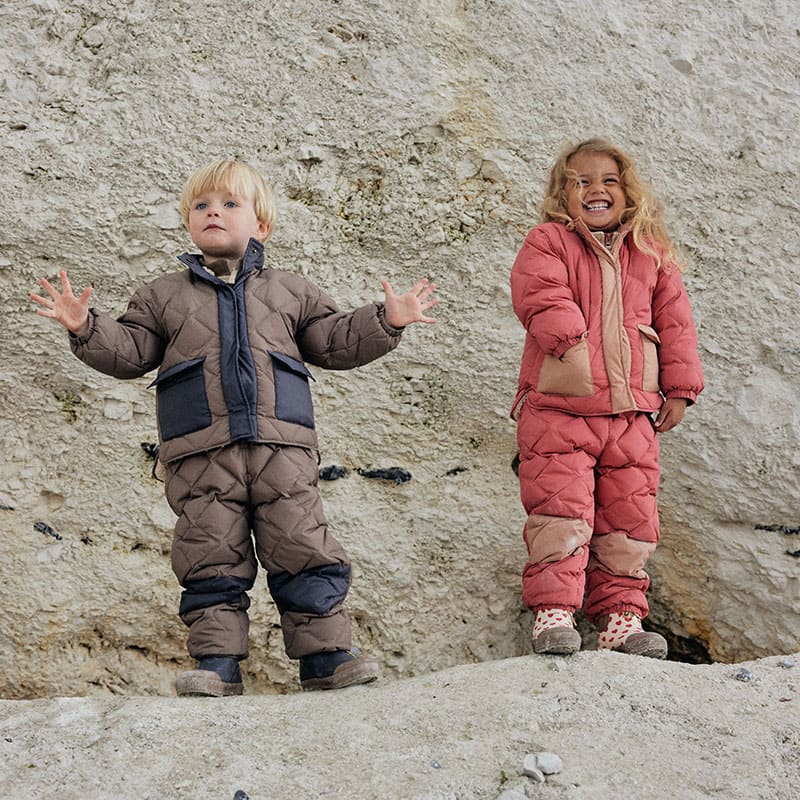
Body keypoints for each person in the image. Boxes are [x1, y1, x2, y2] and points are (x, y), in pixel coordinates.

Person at [30, 159, 439, 696]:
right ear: (188, 223)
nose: (213, 213)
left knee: (302, 545)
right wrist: (86, 327)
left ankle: (326, 657)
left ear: (261, 225)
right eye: (201, 205)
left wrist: (385, 320)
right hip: (200, 453)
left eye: (229, 204)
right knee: (209, 554)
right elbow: (130, 352)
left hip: (282, 447)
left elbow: (333, 341)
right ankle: (217, 663)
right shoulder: (162, 295)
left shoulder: (292, 291)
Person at [510, 138, 703, 659]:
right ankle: (554, 612)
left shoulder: (651, 253)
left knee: (629, 518)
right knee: (560, 513)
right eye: (582, 181)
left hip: (633, 414)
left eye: (609, 181)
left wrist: (680, 389)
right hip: (560, 411)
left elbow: (676, 323)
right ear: (563, 194)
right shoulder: (549, 241)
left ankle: (621, 620)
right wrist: (571, 339)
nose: (597, 189)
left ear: (628, 191)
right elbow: (538, 292)